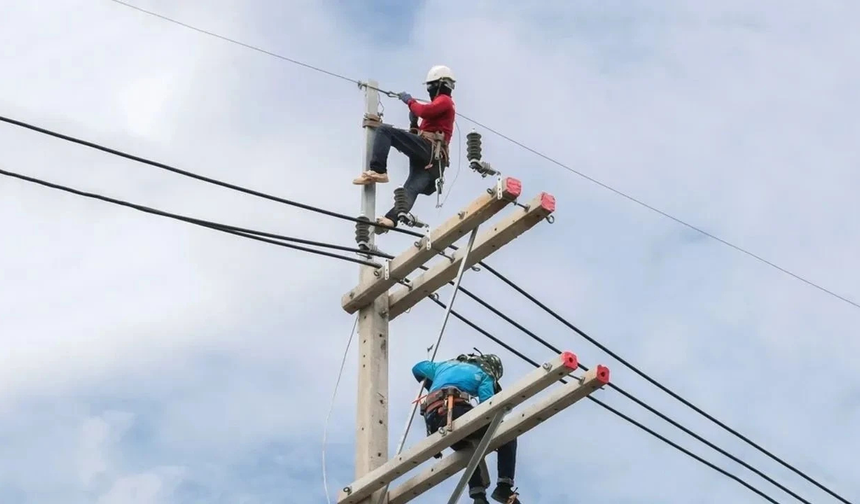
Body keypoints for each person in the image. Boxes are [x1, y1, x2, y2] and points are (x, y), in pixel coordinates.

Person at [352, 65, 456, 230]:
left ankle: (378, 170)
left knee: (385, 131)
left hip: (430, 152)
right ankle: (391, 220)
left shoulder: (445, 101)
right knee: (411, 188)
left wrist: (409, 101)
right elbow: (422, 127)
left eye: (430, 86)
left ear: (437, 85)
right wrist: (414, 123)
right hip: (434, 163)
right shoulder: (442, 107)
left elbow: (423, 111)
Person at [411, 353, 521, 504]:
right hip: (455, 411)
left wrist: (435, 388)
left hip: (434, 421)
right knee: (507, 434)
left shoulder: (441, 366)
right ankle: (504, 487)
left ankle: (478, 497)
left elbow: (417, 368)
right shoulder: (484, 374)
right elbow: (488, 407)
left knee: (468, 450)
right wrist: (495, 433)